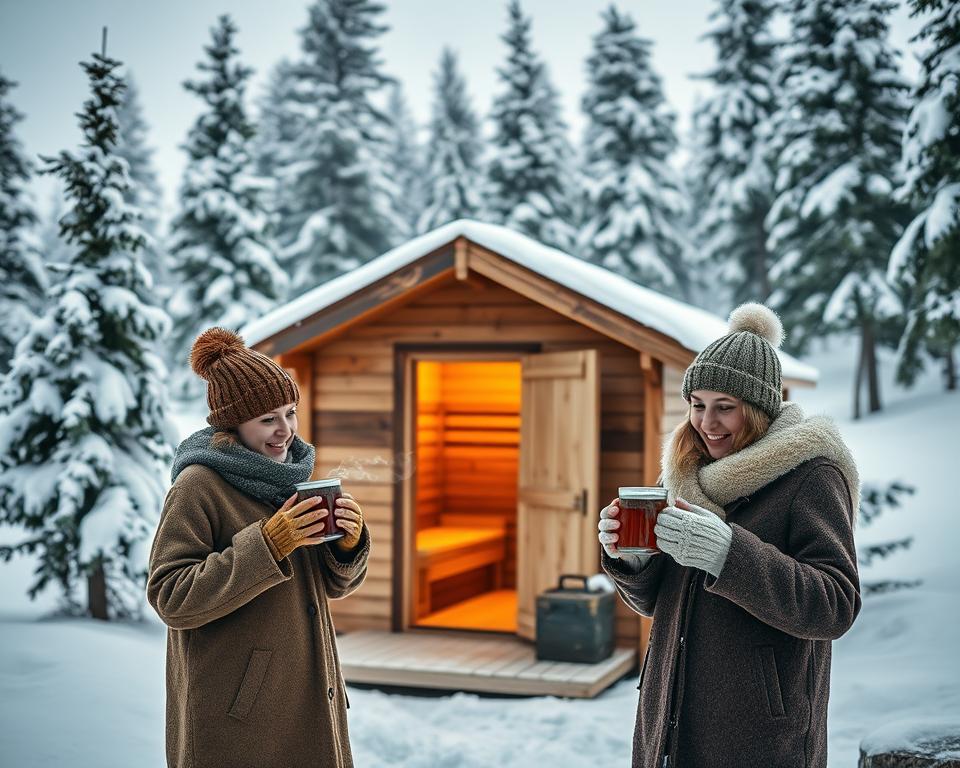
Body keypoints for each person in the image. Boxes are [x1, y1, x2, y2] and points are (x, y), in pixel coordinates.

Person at [598, 303, 861, 768]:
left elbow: (834, 605)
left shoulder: (810, 476)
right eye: (697, 405)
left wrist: (727, 552)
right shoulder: (684, 473)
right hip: (669, 722)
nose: (706, 423)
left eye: (725, 408)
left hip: (758, 737)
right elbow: (660, 602)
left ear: (760, 410)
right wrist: (632, 562)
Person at [148, 327, 369, 768]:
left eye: (290, 413)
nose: (284, 431)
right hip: (239, 719)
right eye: (268, 419)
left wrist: (347, 544)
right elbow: (171, 598)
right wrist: (269, 543)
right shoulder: (198, 487)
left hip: (307, 698)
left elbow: (329, 586)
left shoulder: (288, 478)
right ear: (233, 425)